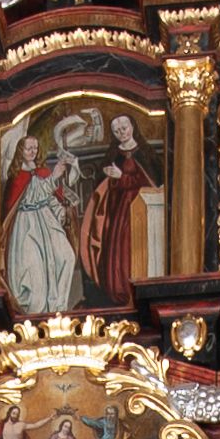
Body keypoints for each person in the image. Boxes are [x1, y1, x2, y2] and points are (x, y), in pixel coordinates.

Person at [78, 113, 159, 304]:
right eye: (116, 131)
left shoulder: (145, 154)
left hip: (141, 210)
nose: (121, 133)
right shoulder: (113, 155)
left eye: (124, 128)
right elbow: (101, 184)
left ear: (133, 127)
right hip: (116, 210)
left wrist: (121, 177)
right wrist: (109, 177)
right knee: (115, 249)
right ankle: (118, 290)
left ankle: (136, 290)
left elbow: (152, 182)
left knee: (131, 247)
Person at [2, 127, 81, 313]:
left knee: (67, 257)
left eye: (35, 148)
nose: (32, 152)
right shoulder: (17, 177)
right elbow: (32, 197)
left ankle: (58, 307)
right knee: (35, 271)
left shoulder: (42, 172)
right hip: (26, 226)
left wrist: (62, 212)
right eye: (28, 148)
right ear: (20, 150)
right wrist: (54, 177)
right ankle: (37, 311)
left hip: (47, 221)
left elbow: (50, 198)